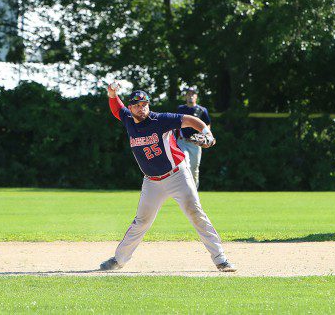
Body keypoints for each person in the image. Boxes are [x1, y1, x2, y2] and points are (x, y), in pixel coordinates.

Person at [100, 82, 236, 272]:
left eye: (145, 104)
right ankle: (118, 260)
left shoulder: (160, 120)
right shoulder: (128, 119)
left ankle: (221, 259)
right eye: (137, 105)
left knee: (195, 213)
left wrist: (208, 135)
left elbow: (190, 119)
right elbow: (116, 107)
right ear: (130, 108)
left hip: (177, 175)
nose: (142, 108)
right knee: (142, 221)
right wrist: (111, 93)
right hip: (152, 182)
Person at [176, 88, 211, 189]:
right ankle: (184, 191)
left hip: (196, 143)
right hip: (182, 141)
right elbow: (175, 124)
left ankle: (193, 191)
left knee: (194, 169)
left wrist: (206, 136)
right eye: (188, 94)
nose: (191, 96)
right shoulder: (180, 109)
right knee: (185, 163)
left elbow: (207, 125)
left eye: (193, 94)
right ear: (185, 96)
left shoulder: (202, 110)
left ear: (196, 96)